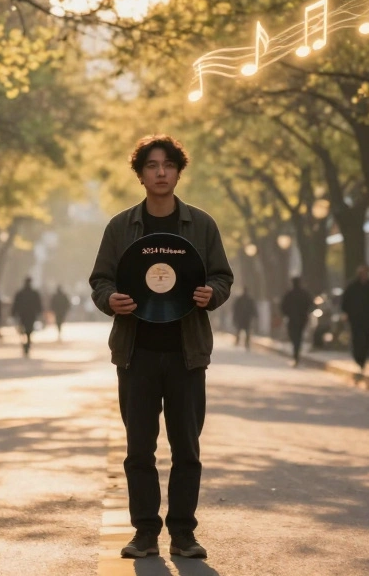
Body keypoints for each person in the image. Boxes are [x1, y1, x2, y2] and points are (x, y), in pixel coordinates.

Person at [89, 134, 233, 561]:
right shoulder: (120, 227)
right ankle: (145, 533)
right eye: (152, 165)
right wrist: (108, 300)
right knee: (139, 449)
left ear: (178, 170)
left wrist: (213, 293)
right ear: (140, 174)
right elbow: (101, 279)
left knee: (187, 448)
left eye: (168, 165)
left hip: (188, 353)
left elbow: (223, 276)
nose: (161, 172)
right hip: (136, 353)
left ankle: (184, 535)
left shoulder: (202, 225)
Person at [340, 264, 369, 370]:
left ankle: (363, 358)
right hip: (355, 318)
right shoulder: (352, 286)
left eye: (366, 273)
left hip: (368, 317)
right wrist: (345, 312)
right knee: (357, 338)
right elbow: (345, 300)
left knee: (367, 337)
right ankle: (358, 357)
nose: (364, 275)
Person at [280, 277, 313, 366]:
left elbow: (283, 306)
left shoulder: (290, 294)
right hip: (301, 319)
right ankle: (296, 353)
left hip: (293, 319)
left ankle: (296, 354)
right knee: (298, 336)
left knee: (294, 336)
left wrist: (287, 314)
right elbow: (310, 304)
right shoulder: (303, 294)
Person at [12, 277, 44, 357]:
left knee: (24, 330)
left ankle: (26, 344)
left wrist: (14, 313)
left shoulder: (20, 293)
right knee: (28, 330)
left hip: (23, 315)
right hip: (30, 315)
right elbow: (38, 304)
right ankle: (27, 344)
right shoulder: (33, 293)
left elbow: (16, 304)